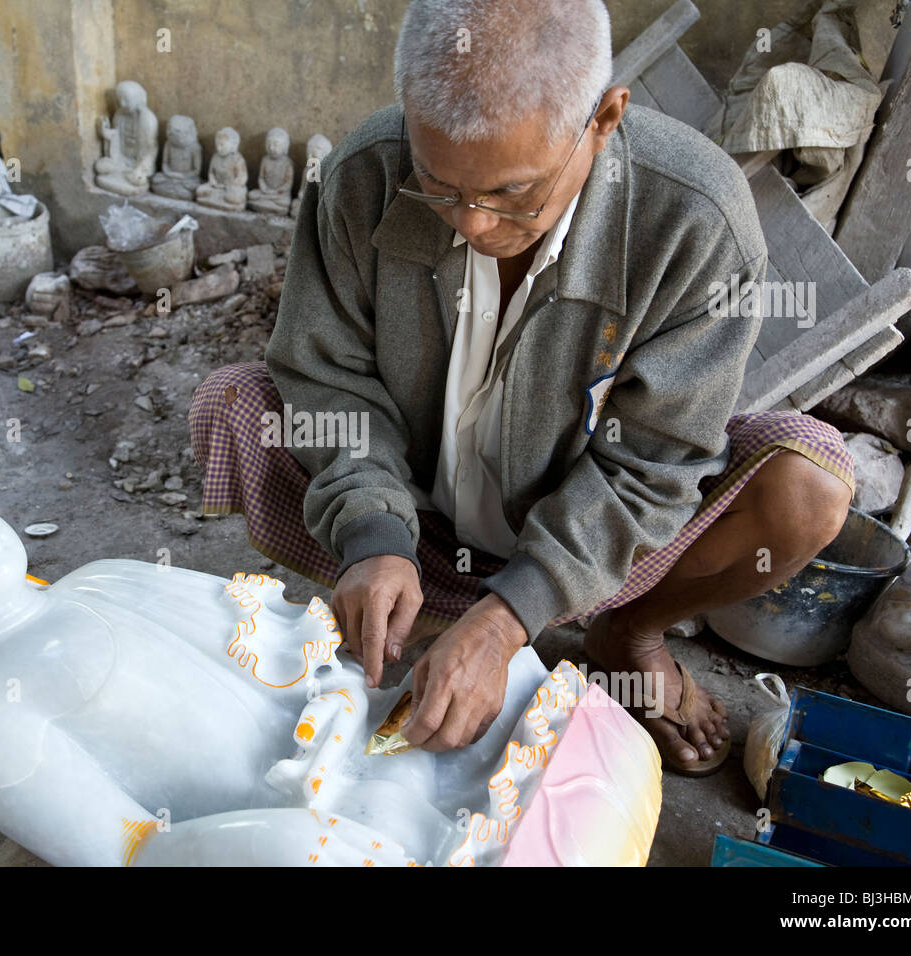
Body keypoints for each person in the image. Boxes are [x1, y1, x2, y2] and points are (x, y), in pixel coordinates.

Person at [190, 0, 854, 776]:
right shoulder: (365, 176)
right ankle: (406, 601)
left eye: (511, 194)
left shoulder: (695, 220)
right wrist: (371, 527)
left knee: (809, 483)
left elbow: (654, 462)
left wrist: (512, 618)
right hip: (421, 504)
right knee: (233, 405)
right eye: (439, 185)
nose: (470, 224)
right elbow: (324, 373)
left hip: (593, 532)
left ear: (604, 119)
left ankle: (624, 630)